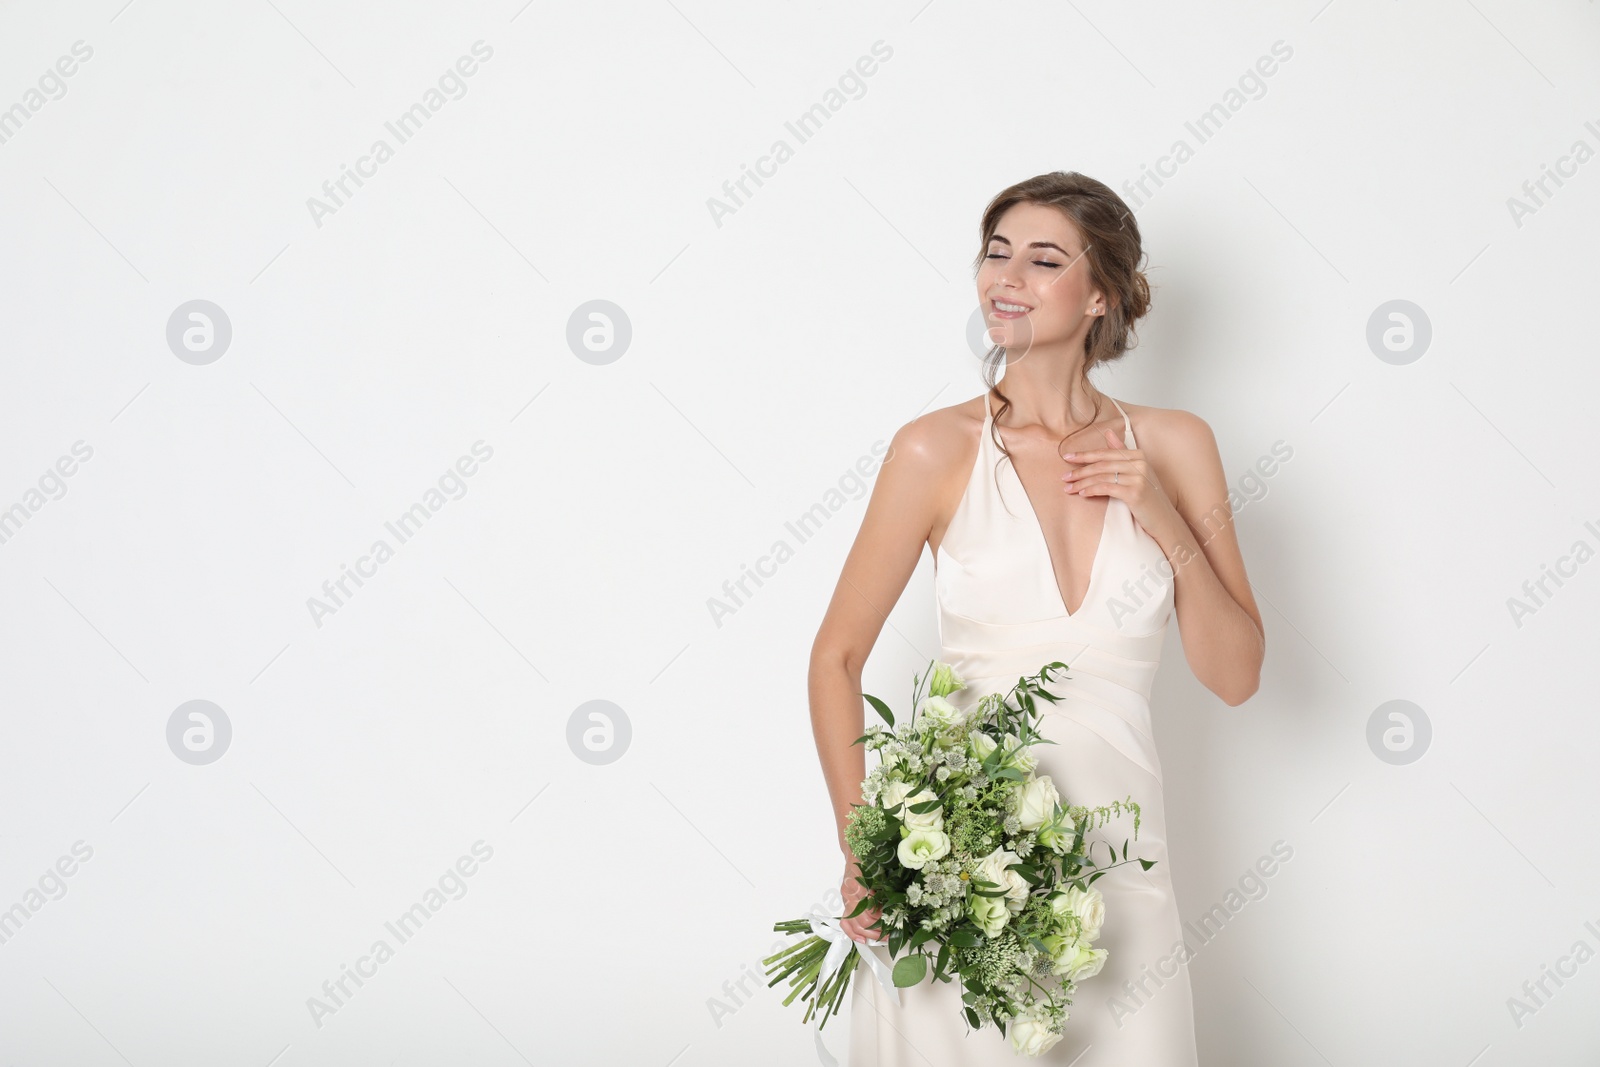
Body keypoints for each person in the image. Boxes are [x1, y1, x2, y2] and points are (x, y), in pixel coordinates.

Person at [807, 171, 1265, 1064]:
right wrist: (861, 847)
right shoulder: (934, 448)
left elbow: (1237, 675)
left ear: (1102, 295)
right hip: (960, 868)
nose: (1006, 277)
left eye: (1044, 259)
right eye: (995, 252)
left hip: (1121, 868)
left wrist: (1161, 515)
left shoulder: (1176, 445)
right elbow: (836, 657)